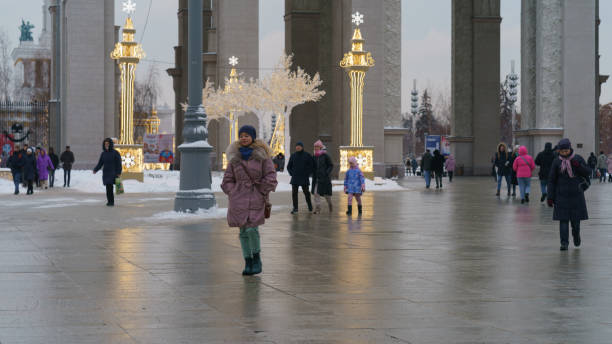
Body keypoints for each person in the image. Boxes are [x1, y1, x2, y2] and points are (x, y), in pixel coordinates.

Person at [221, 125, 277, 276]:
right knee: (243, 231)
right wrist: (232, 191)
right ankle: (248, 261)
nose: (244, 138)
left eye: (247, 135)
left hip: (255, 196)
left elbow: (271, 176)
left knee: (252, 229)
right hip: (238, 198)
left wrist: (262, 190)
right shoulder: (234, 158)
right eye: (242, 135)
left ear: (253, 137)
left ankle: (256, 258)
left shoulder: (262, 156)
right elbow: (227, 179)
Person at [547, 139, 591, 251]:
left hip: (576, 195)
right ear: (559, 151)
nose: (564, 153)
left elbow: (588, 172)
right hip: (561, 196)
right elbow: (551, 180)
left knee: (576, 223)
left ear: (570, 148)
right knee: (563, 221)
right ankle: (564, 243)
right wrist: (550, 197)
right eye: (562, 151)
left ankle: (576, 237)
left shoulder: (577, 159)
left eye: (566, 150)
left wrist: (578, 166)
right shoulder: (556, 161)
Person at [93, 138, 122, 206]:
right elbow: (100, 163)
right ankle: (109, 201)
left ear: (110, 144)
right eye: (105, 144)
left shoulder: (115, 153)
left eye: (107, 144)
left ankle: (111, 202)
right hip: (106, 173)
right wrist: (95, 169)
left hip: (113, 173)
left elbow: (119, 164)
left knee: (110, 187)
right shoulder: (103, 154)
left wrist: (118, 173)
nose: (106, 145)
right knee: (108, 187)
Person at [287, 141, 314, 214]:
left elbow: (311, 165)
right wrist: (292, 173)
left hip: (304, 177)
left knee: (306, 193)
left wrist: (307, 173)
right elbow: (289, 166)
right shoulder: (293, 155)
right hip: (295, 178)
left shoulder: (307, 155)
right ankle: (295, 208)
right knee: (294, 193)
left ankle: (310, 206)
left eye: (299, 146)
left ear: (302, 147)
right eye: (297, 146)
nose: (298, 147)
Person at [311, 140, 333, 214]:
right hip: (316, 178)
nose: (315, 148)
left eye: (317, 146)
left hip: (324, 179)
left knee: (327, 195)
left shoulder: (325, 156)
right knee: (316, 193)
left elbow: (331, 165)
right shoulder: (314, 156)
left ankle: (330, 204)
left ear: (320, 147)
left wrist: (326, 173)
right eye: (315, 147)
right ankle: (318, 209)